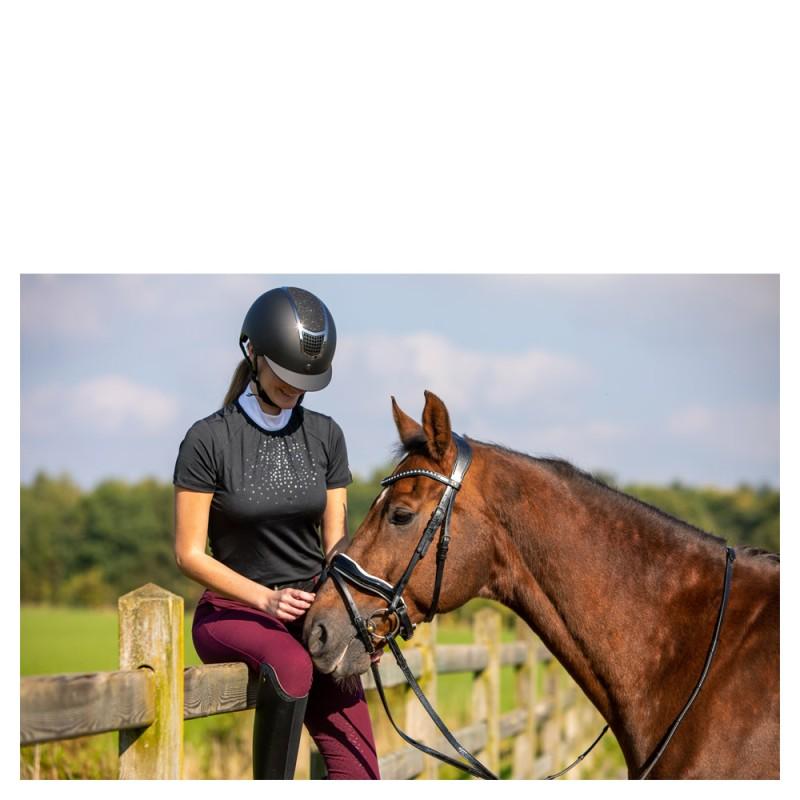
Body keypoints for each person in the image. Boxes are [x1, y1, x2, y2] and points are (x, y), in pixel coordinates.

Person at [173, 286, 380, 780]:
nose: (296, 388)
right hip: (235, 611)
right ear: (253, 353)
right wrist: (264, 599)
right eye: (286, 376)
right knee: (291, 666)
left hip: (312, 610)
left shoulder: (327, 435)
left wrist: (353, 609)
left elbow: (336, 546)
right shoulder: (209, 439)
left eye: (305, 380)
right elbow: (187, 553)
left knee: (360, 771)